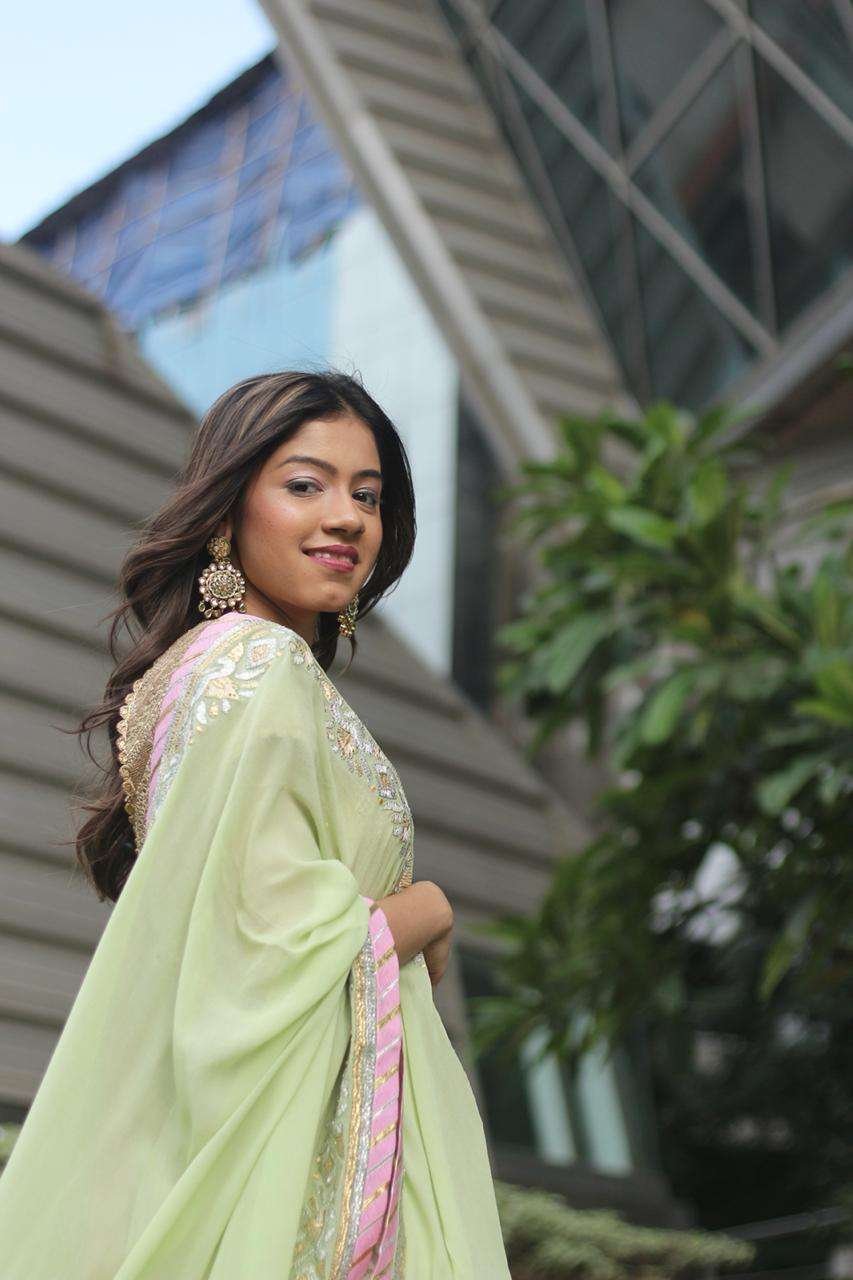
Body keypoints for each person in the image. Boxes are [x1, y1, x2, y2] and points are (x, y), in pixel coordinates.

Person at [0, 370, 512, 1278]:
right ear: (226, 512)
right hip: (279, 1171)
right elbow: (258, 948)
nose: (346, 518)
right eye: (305, 484)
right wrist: (426, 910)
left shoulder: (202, 667)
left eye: (367, 496)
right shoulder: (258, 664)